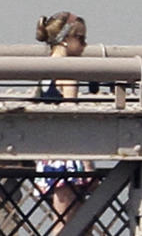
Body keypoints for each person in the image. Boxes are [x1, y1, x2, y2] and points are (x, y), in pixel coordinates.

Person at [34, 12, 92, 232]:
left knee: (69, 221)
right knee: (68, 223)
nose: (85, 45)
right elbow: (72, 116)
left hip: (49, 156)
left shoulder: (44, 70)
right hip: (66, 157)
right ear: (67, 39)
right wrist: (87, 162)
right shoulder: (68, 72)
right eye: (82, 39)